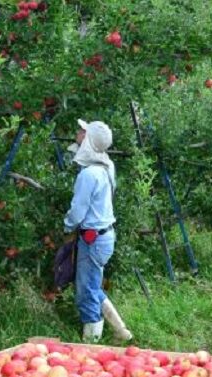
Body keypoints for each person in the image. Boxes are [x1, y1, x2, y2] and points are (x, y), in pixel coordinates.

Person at [63, 119, 132, 343]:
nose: (78, 132)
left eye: (83, 132)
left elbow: (78, 210)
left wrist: (67, 226)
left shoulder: (88, 175)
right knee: (92, 284)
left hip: (92, 238)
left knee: (86, 292)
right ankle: (120, 330)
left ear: (89, 141)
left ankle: (91, 340)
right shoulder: (107, 165)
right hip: (104, 236)